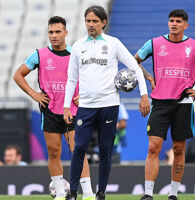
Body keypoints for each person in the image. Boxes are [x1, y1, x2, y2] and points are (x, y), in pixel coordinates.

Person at [63, 6, 150, 200]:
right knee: (78, 148)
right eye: (88, 21)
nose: (91, 24)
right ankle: (73, 193)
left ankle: (101, 193)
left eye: (95, 21)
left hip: (109, 105)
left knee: (105, 151)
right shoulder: (77, 46)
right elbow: (71, 79)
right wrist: (66, 106)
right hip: (85, 106)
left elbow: (135, 67)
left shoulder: (113, 43)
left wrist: (144, 95)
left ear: (104, 22)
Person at [134, 9, 195, 200]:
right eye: (171, 20)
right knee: (153, 147)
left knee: (179, 148)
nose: (173, 24)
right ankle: (148, 193)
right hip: (160, 103)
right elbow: (134, 61)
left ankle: (173, 194)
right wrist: (148, 77)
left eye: (178, 21)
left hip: (183, 103)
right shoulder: (155, 43)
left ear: (185, 25)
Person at [13, 16, 94, 200]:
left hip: (73, 110)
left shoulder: (77, 54)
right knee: (54, 152)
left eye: (58, 32)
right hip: (50, 110)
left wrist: (85, 94)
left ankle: (88, 193)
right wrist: (34, 94)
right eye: (51, 32)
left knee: (78, 150)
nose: (54, 35)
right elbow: (18, 75)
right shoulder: (39, 55)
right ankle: (59, 192)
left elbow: (91, 77)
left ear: (66, 33)